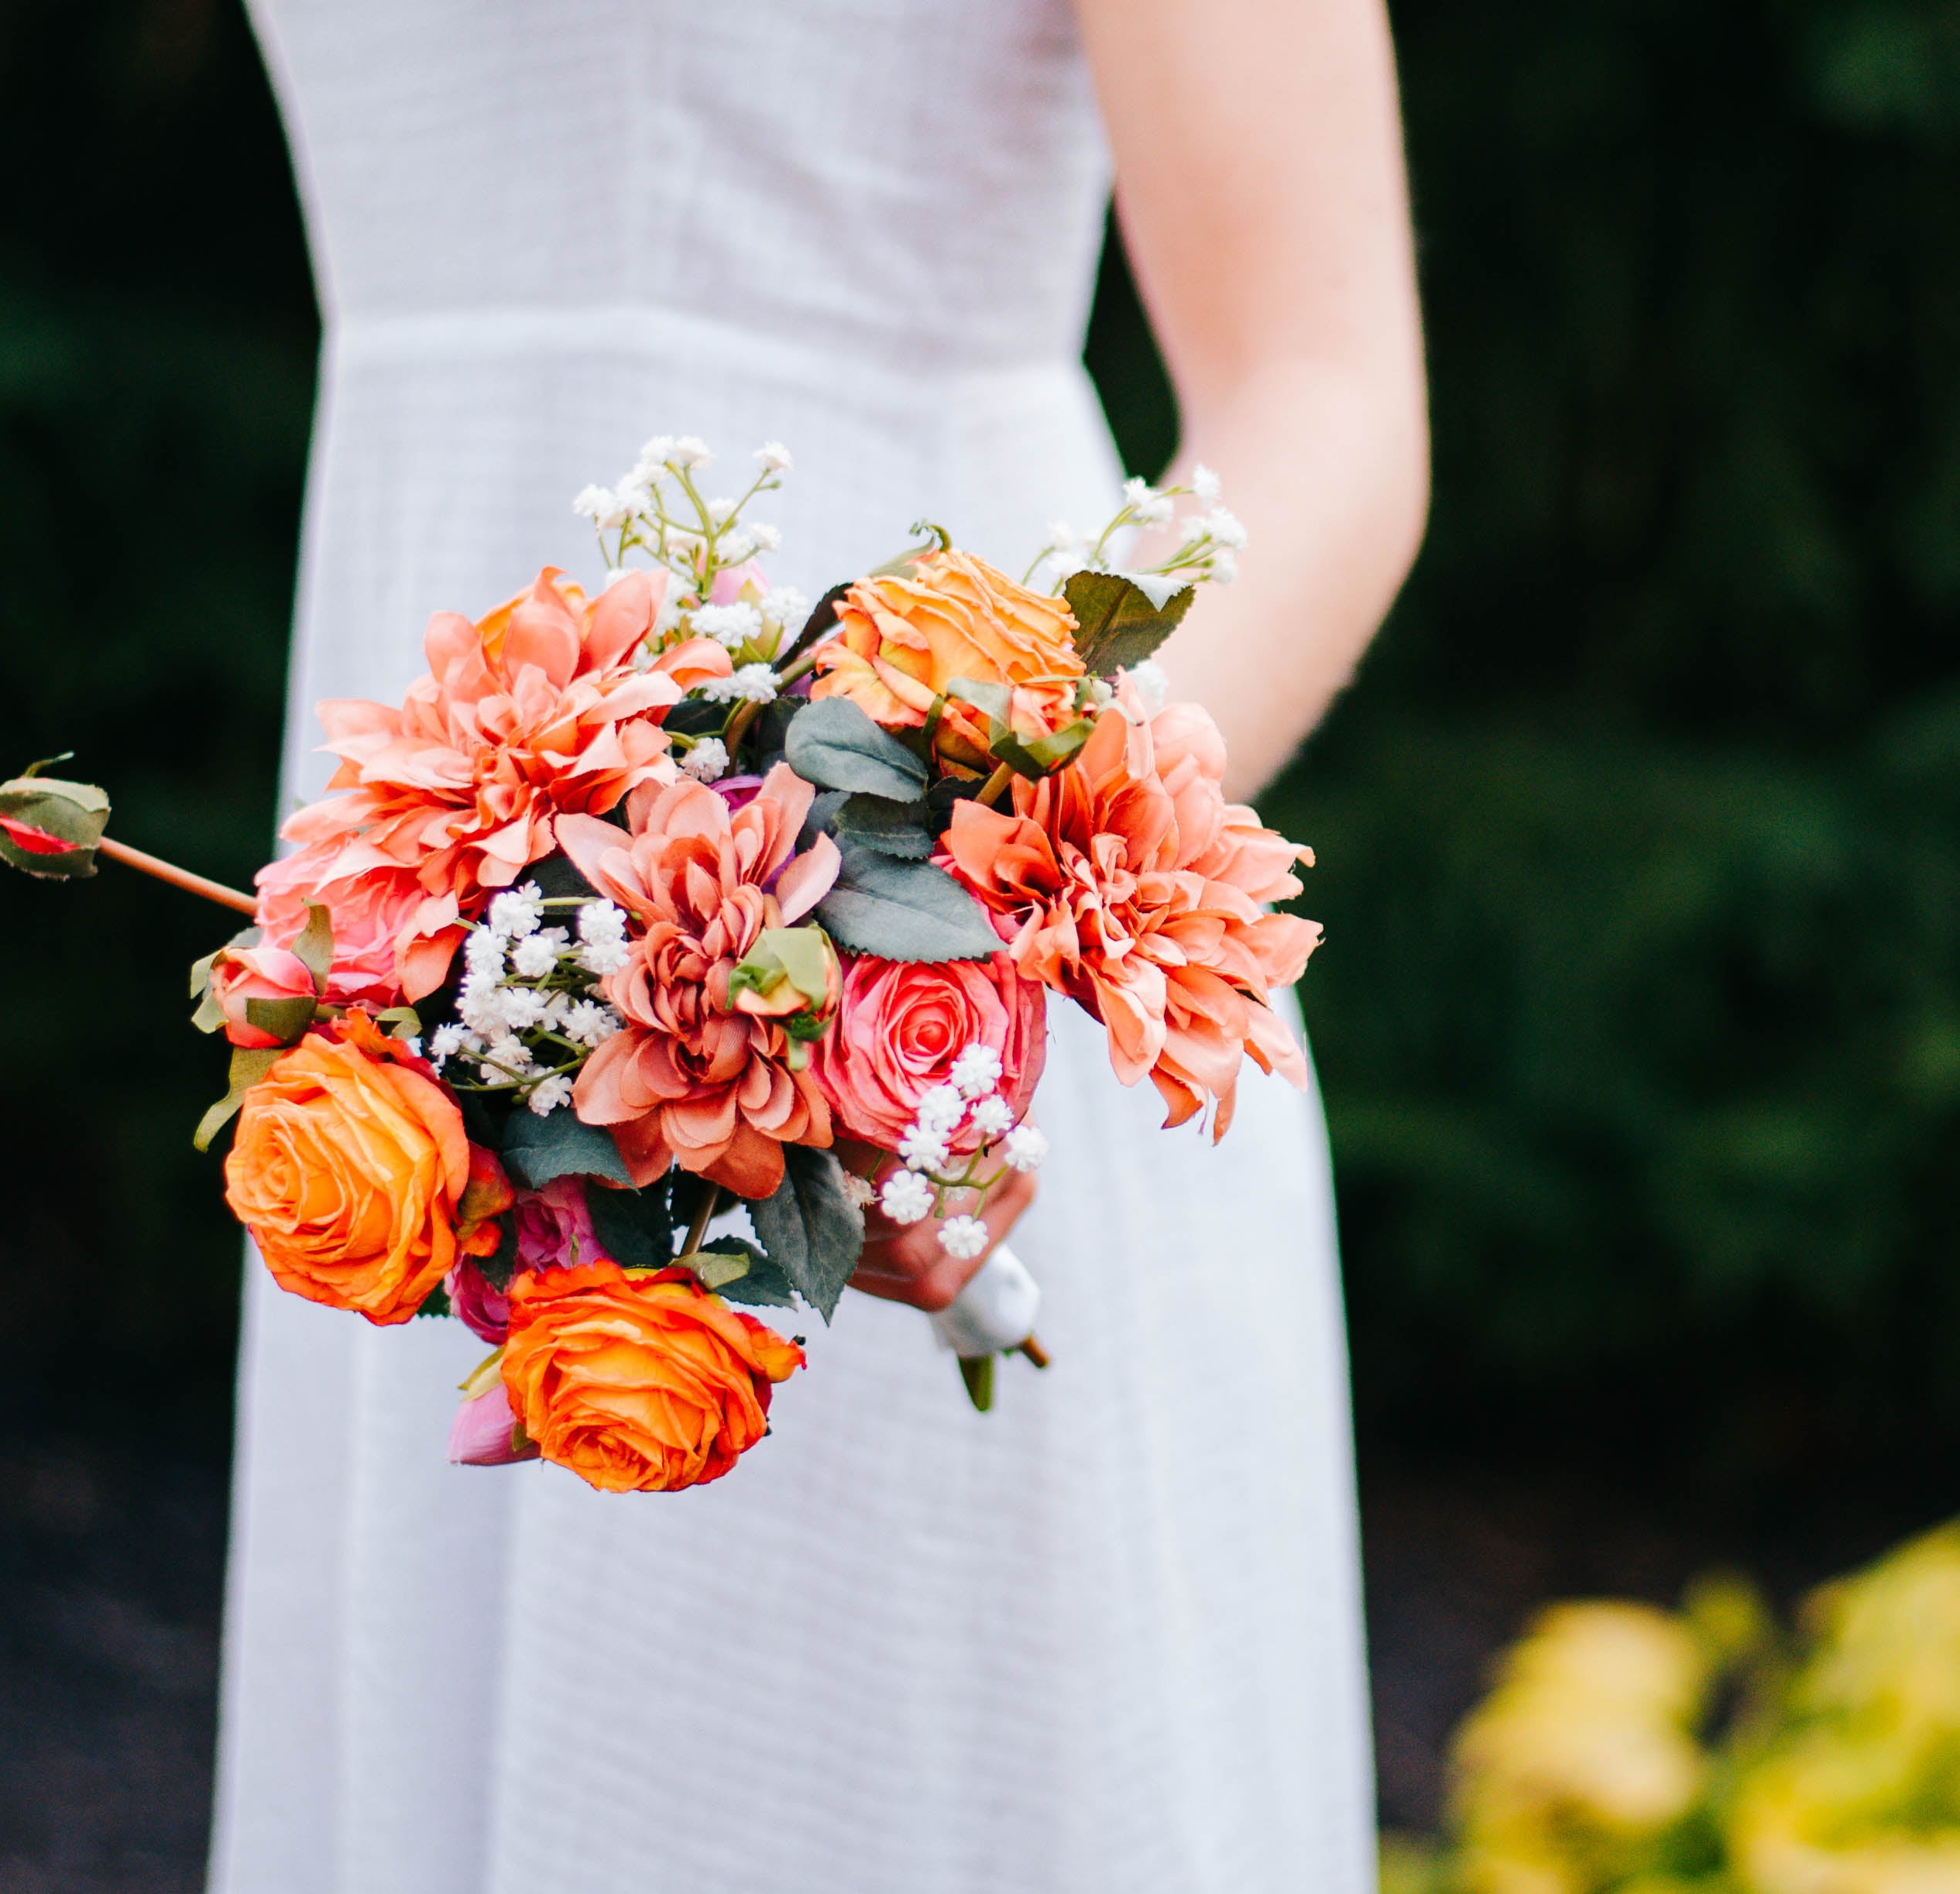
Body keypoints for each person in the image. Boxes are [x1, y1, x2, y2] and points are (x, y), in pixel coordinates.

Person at [213, 0, 1426, 1888]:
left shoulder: (931, 931)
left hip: (939, 928)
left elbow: (1322, 385)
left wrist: (923, 919)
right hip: (434, 914)